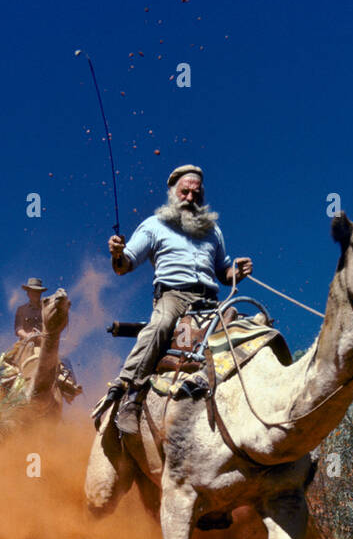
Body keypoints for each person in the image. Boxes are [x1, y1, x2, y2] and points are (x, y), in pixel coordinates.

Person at [101, 165, 253, 437]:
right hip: (172, 296)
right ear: (173, 192)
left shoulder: (213, 232)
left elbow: (223, 272)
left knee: (247, 329)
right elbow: (124, 265)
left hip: (210, 301)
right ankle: (131, 395)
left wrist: (236, 273)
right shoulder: (153, 226)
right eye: (185, 191)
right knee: (160, 326)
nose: (190, 198)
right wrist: (117, 253)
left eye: (196, 193)